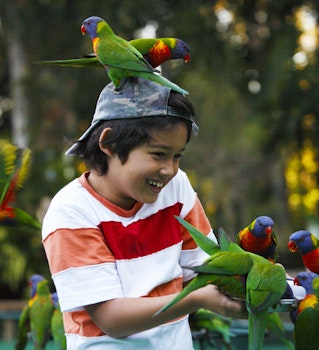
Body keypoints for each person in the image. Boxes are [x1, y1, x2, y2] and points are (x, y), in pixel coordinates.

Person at [42, 77, 245, 349]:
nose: (170, 170)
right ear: (109, 143)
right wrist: (198, 298)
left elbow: (204, 271)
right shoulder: (71, 211)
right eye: (159, 154)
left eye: (177, 156)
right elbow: (110, 318)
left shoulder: (176, 187)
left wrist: (258, 280)